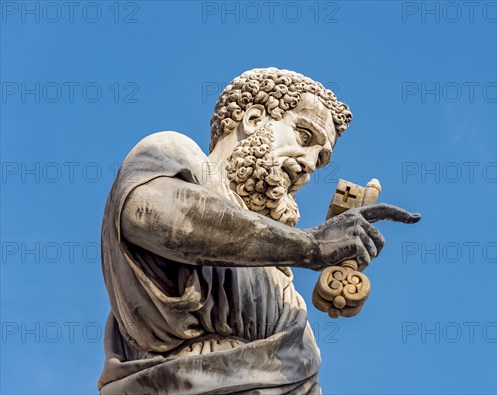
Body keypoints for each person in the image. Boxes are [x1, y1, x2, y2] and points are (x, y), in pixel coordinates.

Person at [98, 68, 420, 394]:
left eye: (320, 159)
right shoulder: (178, 155)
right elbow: (148, 212)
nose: (309, 164)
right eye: (304, 137)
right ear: (253, 119)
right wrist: (310, 245)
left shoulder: (283, 285)